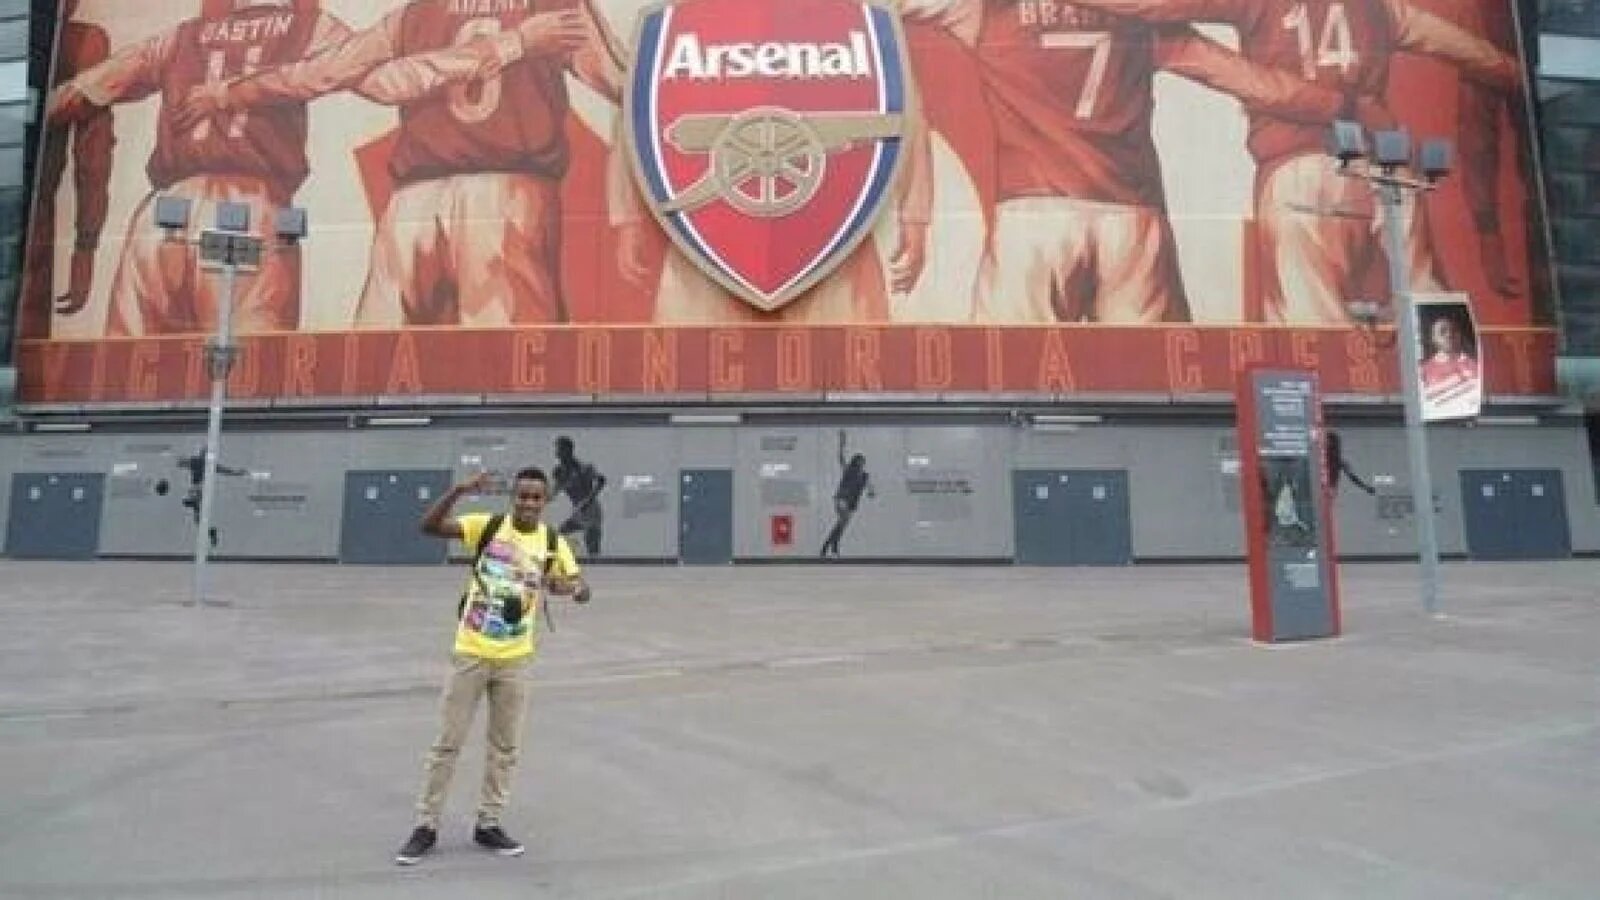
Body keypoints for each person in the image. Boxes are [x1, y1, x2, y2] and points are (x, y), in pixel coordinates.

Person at [1056, 0, 1521, 323]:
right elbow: (1478, 56)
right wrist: (1533, 81)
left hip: (1302, 170)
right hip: (1389, 170)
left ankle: (1329, 426)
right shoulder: (1383, 9)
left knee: (1311, 321)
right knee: (1426, 297)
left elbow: (1153, 7)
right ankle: (1455, 402)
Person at [176, 0, 624, 326]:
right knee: (509, 362)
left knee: (377, 361)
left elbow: (326, 72)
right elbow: (627, 85)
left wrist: (230, 92)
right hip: (504, 194)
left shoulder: (413, 15)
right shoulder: (552, 9)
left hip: (412, 203)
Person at [398, 467, 586, 866]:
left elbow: (579, 587)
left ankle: (489, 822)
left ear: (545, 501)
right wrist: (458, 491)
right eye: (523, 496)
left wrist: (569, 588)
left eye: (536, 497)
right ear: (513, 497)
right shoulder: (488, 527)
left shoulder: (552, 542)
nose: (529, 503)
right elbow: (428, 527)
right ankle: (426, 825)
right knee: (447, 743)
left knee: (504, 747)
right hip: (470, 652)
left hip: (515, 660)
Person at [21, 0, 113, 339]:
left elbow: (93, 156)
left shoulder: (77, 42)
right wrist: (85, 247)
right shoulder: (80, 42)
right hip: (29, 218)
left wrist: (86, 246)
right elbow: (93, 157)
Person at [158, 447, 248, 549]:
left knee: (194, 510)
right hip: (199, 489)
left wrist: (174, 457)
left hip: (198, 489)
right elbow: (225, 470)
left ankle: (204, 522)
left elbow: (182, 462)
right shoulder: (205, 463)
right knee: (197, 517)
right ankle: (208, 530)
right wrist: (237, 472)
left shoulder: (199, 462)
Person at [821, 431, 874, 558]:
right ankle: (828, 546)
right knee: (842, 521)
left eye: (862, 462)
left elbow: (870, 488)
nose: (861, 465)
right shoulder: (849, 470)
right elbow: (841, 457)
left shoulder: (865, 476)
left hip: (852, 503)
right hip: (842, 499)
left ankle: (831, 545)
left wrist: (871, 492)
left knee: (841, 526)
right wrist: (842, 443)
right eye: (859, 462)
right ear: (855, 462)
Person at [551, 436, 606, 557]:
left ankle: (596, 563)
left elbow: (601, 480)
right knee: (557, 535)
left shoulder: (583, 468)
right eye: (557, 450)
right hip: (578, 511)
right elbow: (554, 491)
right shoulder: (559, 472)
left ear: (569, 451)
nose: (557, 454)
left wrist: (588, 500)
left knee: (592, 546)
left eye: (560, 450)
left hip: (591, 510)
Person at [1419, 313, 1481, 416]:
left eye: (1453, 330)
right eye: (1442, 331)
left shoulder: (1474, 364)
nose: (1449, 335)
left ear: (1460, 335)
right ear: (1433, 338)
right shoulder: (1423, 370)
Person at [1325, 430, 1375, 497]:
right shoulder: (1332, 458)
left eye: (1331, 445)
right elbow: (1352, 477)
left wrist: (1366, 487)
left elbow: (1353, 477)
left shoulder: (1339, 462)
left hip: (1328, 487)